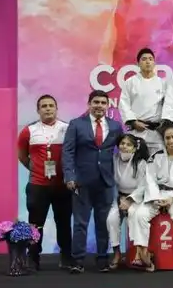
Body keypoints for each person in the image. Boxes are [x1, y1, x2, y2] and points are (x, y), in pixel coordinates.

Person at [62, 90, 123, 273]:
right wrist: (70, 176)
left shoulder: (115, 126)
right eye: (95, 102)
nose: (99, 106)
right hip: (81, 181)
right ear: (89, 104)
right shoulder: (76, 124)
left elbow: (122, 151)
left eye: (103, 103)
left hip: (105, 182)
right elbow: (68, 152)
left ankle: (102, 258)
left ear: (107, 105)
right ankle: (77, 260)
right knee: (81, 223)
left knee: (103, 222)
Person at [131, 122, 173, 272]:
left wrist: (172, 199)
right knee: (140, 214)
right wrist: (156, 199)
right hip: (157, 195)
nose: (171, 140)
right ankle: (143, 255)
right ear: (164, 140)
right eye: (168, 138)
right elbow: (150, 180)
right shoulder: (156, 157)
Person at [17, 94, 72, 271]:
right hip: (38, 185)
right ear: (38, 110)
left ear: (56, 109)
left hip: (62, 185)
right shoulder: (28, 131)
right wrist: (36, 170)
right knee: (35, 223)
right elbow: (22, 156)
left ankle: (66, 256)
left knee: (63, 222)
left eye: (51, 106)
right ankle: (33, 257)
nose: (48, 109)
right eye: (44, 106)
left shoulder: (67, 129)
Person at [106, 134, 149, 269]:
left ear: (135, 148)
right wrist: (120, 199)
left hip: (136, 198)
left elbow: (143, 186)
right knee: (111, 219)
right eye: (122, 143)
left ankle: (137, 254)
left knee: (134, 215)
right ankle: (117, 254)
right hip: (119, 197)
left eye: (129, 144)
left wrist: (130, 200)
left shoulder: (141, 163)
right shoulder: (114, 159)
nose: (124, 146)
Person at [118, 47, 165, 154]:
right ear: (138, 64)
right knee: (136, 163)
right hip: (137, 130)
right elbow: (124, 104)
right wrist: (133, 122)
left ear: (154, 63)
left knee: (156, 163)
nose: (147, 62)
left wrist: (163, 126)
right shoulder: (130, 82)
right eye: (144, 59)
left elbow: (167, 106)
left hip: (156, 131)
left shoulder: (162, 83)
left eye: (150, 59)